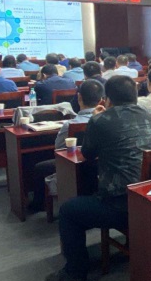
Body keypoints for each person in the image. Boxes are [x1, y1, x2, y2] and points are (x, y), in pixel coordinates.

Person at [46, 76, 151, 281]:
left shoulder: (101, 120)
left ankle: (75, 273)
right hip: (147, 196)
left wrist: (96, 119)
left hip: (120, 204)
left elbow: (88, 154)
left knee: (68, 210)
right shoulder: (150, 114)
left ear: (107, 99)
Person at [30, 80, 105, 212]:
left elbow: (59, 149)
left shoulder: (69, 124)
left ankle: (38, 205)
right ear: (101, 100)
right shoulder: (107, 120)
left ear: (79, 97)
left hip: (73, 165)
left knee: (39, 167)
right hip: (98, 165)